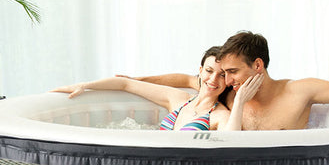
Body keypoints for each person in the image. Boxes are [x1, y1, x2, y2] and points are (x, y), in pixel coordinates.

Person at [133, 31, 329, 130]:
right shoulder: (228, 91)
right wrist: (137, 78)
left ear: (258, 65)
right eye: (223, 73)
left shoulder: (298, 92)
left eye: (233, 72)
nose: (225, 79)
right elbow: (186, 79)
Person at [52, 47, 237, 131]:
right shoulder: (179, 99)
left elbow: (231, 144)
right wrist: (85, 85)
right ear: (200, 71)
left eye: (222, 75)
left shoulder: (221, 116)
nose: (213, 79)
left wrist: (241, 99)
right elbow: (125, 84)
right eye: (209, 71)